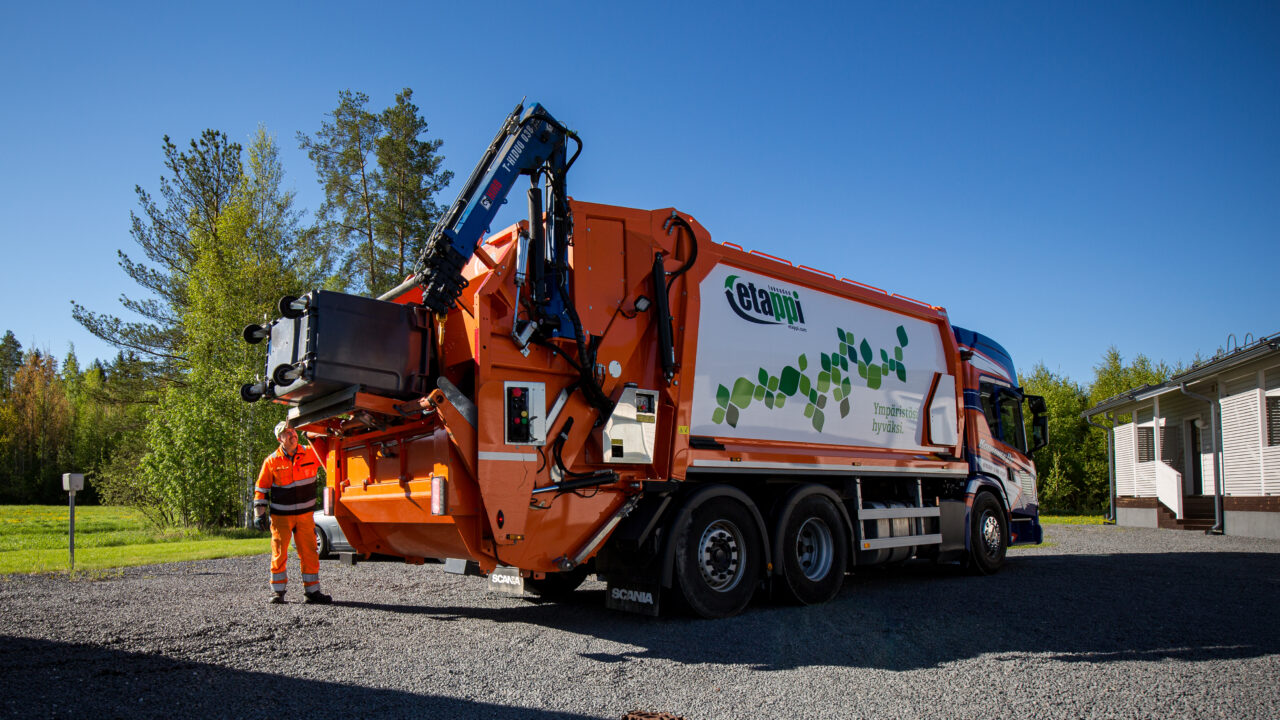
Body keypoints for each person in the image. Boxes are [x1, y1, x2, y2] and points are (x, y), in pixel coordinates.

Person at [254, 421, 331, 604]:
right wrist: (259, 514)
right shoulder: (271, 461)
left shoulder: (310, 452)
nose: (292, 435)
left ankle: (312, 592)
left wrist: (314, 433)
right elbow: (261, 489)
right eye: (287, 433)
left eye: (293, 431)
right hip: (281, 517)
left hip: (305, 516)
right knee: (279, 553)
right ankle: (277, 592)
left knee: (310, 552)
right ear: (279, 438)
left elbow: (328, 448)